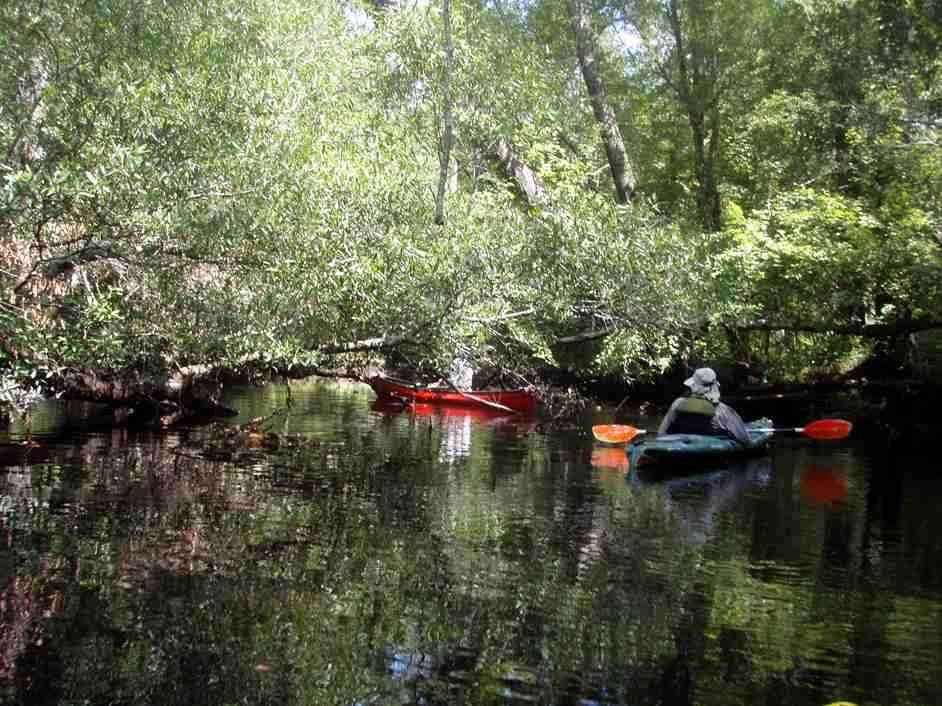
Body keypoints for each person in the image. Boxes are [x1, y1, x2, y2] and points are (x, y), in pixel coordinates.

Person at [657, 367, 756, 446]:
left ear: (693, 385)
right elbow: (745, 440)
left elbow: (661, 433)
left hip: (675, 443)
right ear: (715, 386)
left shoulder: (677, 403)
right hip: (707, 448)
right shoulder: (723, 410)